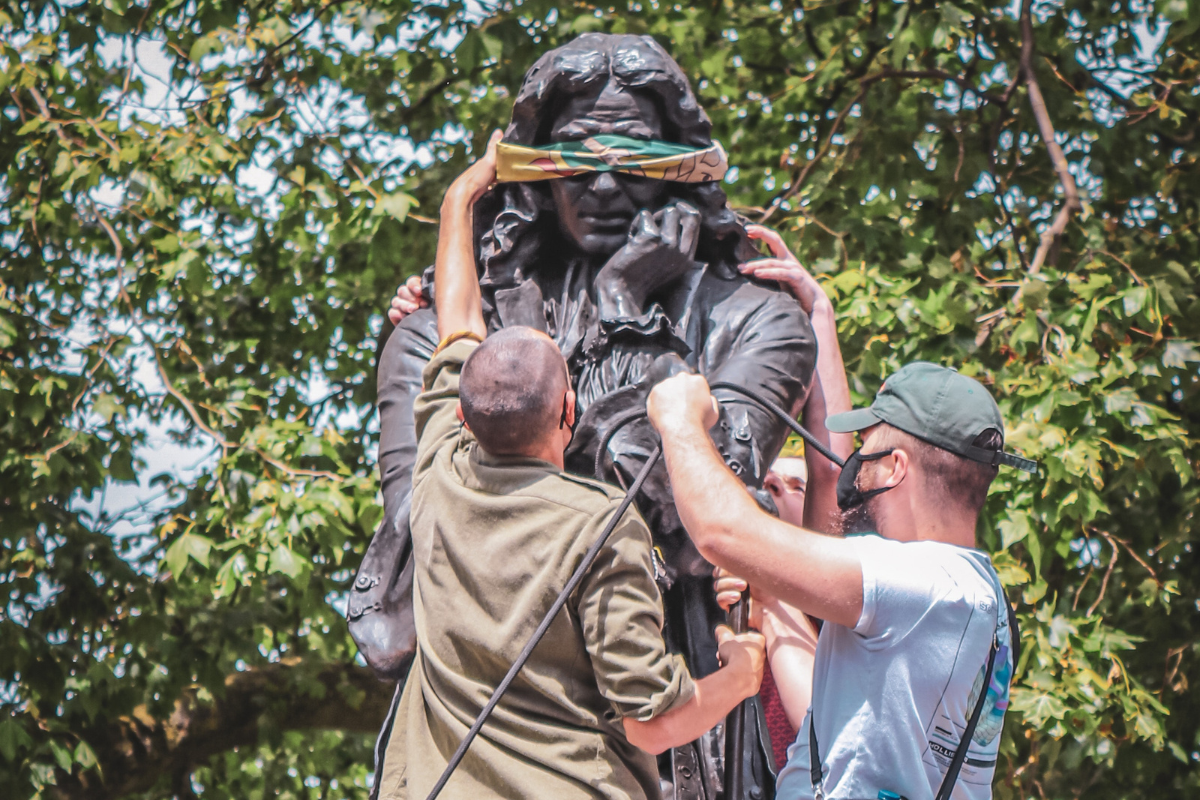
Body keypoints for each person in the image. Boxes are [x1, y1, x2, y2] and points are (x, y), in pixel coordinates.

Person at [378, 131, 767, 800]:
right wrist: (741, 670)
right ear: (569, 411)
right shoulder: (602, 525)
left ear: (463, 415)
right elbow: (653, 721)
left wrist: (460, 198)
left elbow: (458, 325)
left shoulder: (440, 473)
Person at [647, 354, 1034, 799]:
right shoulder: (980, 600)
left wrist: (678, 415)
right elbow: (836, 723)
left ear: (894, 468)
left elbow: (722, 530)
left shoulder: (912, 581)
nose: (855, 463)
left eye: (866, 445)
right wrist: (772, 606)